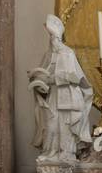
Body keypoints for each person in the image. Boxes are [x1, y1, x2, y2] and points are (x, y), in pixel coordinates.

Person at [29, 15, 94, 160]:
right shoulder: (48, 55)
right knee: (51, 125)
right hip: (53, 96)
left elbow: (75, 77)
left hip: (68, 97)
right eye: (50, 36)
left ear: (58, 36)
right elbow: (43, 72)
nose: (51, 39)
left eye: (52, 36)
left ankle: (66, 154)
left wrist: (54, 78)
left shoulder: (68, 53)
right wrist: (37, 80)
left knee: (65, 127)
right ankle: (51, 152)